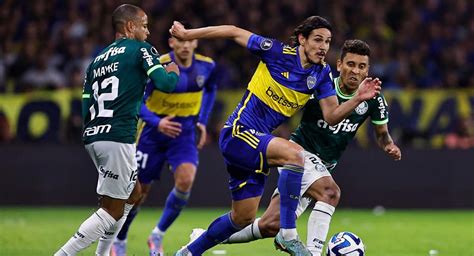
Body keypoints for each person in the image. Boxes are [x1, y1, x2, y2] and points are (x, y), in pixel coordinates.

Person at [170, 16, 381, 256]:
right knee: (295, 154)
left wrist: (358, 98)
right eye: (318, 40)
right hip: (239, 133)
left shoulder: (321, 74)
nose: (323, 46)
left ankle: (188, 252)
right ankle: (288, 233)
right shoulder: (277, 52)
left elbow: (332, 115)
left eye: (328, 41)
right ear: (302, 39)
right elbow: (233, 30)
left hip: (255, 148)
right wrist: (188, 34)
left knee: (242, 218)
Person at [54, 4, 179, 256]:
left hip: (94, 135)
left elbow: (86, 103)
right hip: (117, 136)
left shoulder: (96, 60)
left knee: (133, 194)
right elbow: (165, 84)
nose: (147, 32)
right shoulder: (141, 49)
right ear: (130, 26)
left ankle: (104, 254)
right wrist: (174, 72)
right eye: (144, 26)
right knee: (111, 210)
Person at [111, 21, 218, 256]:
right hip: (153, 133)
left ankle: (157, 235)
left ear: (196, 41)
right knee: (138, 193)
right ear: (172, 42)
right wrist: (157, 122)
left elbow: (210, 89)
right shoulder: (158, 66)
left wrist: (202, 120)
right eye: (180, 41)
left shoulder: (207, 67)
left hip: (185, 133)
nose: (186, 45)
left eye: (189, 40)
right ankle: (119, 239)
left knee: (186, 181)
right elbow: (135, 101)